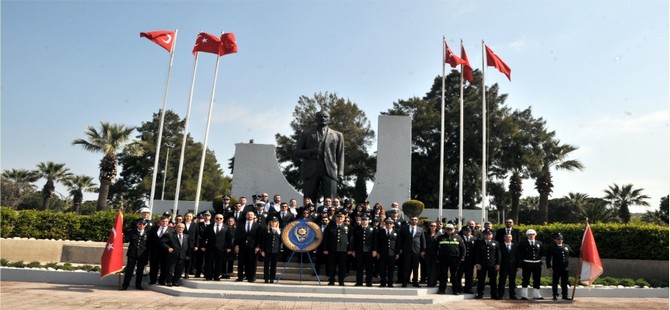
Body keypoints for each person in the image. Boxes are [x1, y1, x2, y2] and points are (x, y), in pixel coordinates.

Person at [295, 110, 344, 204]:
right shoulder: (306, 134)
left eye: (325, 117)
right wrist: (311, 151)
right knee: (309, 200)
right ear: (316, 119)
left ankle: (330, 218)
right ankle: (308, 217)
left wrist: (340, 172)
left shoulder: (337, 135)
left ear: (329, 119)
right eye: (320, 116)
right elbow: (297, 152)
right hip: (310, 170)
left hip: (330, 170)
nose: (323, 118)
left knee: (331, 200)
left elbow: (340, 154)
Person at [322, 213, 352, 286]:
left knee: (342, 266)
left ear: (344, 218)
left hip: (343, 249)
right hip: (332, 249)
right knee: (332, 266)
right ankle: (331, 280)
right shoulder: (330, 227)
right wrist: (325, 248)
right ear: (335, 218)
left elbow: (351, 239)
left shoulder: (348, 227)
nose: (339, 219)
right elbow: (325, 238)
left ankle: (341, 281)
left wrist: (350, 249)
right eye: (338, 217)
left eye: (341, 218)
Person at [435, 223, 465, 295]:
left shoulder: (458, 237)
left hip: (455, 259)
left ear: (454, 230)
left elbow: (463, 248)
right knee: (443, 275)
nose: (449, 231)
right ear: (445, 230)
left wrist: (462, 257)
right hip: (443, 259)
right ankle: (442, 289)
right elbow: (435, 249)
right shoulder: (440, 237)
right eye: (448, 229)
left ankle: (455, 290)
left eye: (451, 229)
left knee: (454, 275)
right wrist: (437, 258)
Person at [120, 219, 150, 290]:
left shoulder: (148, 233)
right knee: (129, 270)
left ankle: (138, 285)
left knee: (140, 270)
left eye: (143, 224)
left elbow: (149, 245)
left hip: (142, 254)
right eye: (140, 224)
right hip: (132, 254)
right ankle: (125, 285)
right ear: (137, 224)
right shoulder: (132, 232)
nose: (141, 225)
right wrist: (121, 235)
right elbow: (125, 240)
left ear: (145, 225)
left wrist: (147, 256)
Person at [202, 214, 233, 281]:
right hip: (210, 247)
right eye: (217, 218)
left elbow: (229, 238)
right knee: (209, 262)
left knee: (219, 263)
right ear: (214, 219)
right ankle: (208, 276)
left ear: (223, 219)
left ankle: (216, 276)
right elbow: (204, 237)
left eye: (220, 218)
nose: (218, 220)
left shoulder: (227, 227)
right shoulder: (209, 226)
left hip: (221, 248)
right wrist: (203, 246)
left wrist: (229, 247)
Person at [397, 216, 425, 287]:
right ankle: (405, 282)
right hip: (407, 250)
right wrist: (399, 249)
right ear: (409, 220)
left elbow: (423, 240)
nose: (414, 221)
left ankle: (415, 281)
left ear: (417, 221)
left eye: (415, 220)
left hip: (417, 251)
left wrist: (423, 250)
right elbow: (400, 240)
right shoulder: (404, 228)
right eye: (412, 219)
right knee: (406, 267)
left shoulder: (421, 229)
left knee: (415, 267)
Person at [235, 211, 262, 282]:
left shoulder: (258, 226)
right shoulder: (240, 225)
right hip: (242, 246)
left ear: (254, 216)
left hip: (253, 247)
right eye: (248, 214)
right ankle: (240, 277)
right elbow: (237, 236)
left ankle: (251, 277)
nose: (250, 216)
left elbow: (259, 237)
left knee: (252, 263)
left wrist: (258, 246)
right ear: (246, 216)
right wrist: (236, 245)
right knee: (241, 262)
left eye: (251, 215)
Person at [474, 229, 501, 299]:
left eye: (489, 234)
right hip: (482, 264)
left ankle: (494, 294)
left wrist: (498, 264)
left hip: (492, 264)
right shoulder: (479, 243)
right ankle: (480, 294)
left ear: (492, 236)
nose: (487, 236)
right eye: (486, 234)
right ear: (483, 235)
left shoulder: (496, 243)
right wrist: (477, 263)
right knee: (481, 280)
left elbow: (498, 254)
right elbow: (477, 254)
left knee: (493, 280)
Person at [546, 233, 574, 300]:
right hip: (556, 268)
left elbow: (573, 253)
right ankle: (555, 295)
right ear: (555, 240)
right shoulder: (552, 247)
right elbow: (548, 258)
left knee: (564, 282)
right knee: (555, 282)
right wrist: (549, 266)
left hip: (565, 268)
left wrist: (581, 250)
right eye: (558, 239)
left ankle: (565, 295)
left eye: (561, 239)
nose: (560, 240)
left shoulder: (566, 246)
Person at [373, 217, 399, 288]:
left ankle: (390, 282)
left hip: (392, 253)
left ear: (393, 224)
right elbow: (377, 243)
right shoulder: (381, 232)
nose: (388, 225)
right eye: (387, 223)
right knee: (382, 269)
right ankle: (383, 282)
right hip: (383, 253)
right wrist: (378, 252)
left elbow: (398, 244)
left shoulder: (396, 232)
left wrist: (397, 253)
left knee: (391, 269)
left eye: (390, 223)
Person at [350, 215, 376, 287]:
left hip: (369, 251)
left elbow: (375, 241)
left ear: (368, 221)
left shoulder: (372, 229)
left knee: (369, 267)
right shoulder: (356, 229)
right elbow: (353, 240)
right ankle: (359, 282)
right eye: (363, 220)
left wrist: (374, 250)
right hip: (359, 251)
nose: (364, 221)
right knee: (359, 267)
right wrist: (353, 250)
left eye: (366, 220)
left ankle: (369, 282)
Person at [519, 228, 544, 300]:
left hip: (537, 264)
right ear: (527, 235)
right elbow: (520, 254)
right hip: (527, 263)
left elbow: (542, 252)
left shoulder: (539, 243)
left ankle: (536, 295)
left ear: (535, 235)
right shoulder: (523, 243)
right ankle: (524, 295)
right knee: (525, 279)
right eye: (529, 235)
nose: (531, 236)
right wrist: (520, 264)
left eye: (533, 234)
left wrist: (538, 258)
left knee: (537, 279)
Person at [148, 216, 173, 285]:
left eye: (166, 221)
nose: (164, 223)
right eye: (163, 221)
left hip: (165, 252)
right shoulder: (154, 229)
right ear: (160, 222)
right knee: (153, 266)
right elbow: (150, 240)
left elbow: (173, 241)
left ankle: (162, 280)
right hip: (154, 251)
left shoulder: (172, 230)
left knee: (164, 266)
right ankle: (152, 280)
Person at [498, 233, 520, 299]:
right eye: (506, 237)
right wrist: (498, 264)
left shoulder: (515, 246)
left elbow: (518, 256)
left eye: (509, 237)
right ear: (504, 238)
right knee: (502, 281)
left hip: (513, 266)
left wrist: (519, 266)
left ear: (512, 238)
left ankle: (512, 295)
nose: (508, 238)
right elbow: (498, 256)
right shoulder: (500, 245)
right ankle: (500, 295)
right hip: (503, 266)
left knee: (512, 281)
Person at [261, 216, 282, 283]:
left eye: (275, 222)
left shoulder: (279, 231)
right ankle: (266, 278)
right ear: (270, 222)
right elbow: (263, 241)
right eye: (272, 222)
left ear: (277, 223)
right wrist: (262, 250)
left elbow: (280, 241)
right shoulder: (266, 230)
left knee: (274, 265)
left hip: (275, 250)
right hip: (267, 250)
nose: (273, 223)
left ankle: (272, 278)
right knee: (266, 265)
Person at [457, 226, 477, 294]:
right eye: (466, 231)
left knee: (469, 275)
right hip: (461, 260)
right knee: (459, 275)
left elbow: (476, 251)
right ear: (463, 231)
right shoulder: (459, 238)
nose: (468, 232)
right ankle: (458, 288)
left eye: (469, 231)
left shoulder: (474, 239)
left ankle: (468, 288)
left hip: (470, 261)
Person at [422, 221, 440, 288]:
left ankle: (433, 282)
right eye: (431, 226)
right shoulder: (425, 234)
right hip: (428, 253)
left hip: (436, 254)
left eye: (434, 226)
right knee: (428, 268)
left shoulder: (439, 235)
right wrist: (423, 251)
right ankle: (429, 282)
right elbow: (423, 243)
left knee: (434, 269)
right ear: (429, 227)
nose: (433, 227)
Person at [182, 212, 199, 279]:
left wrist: (196, 245)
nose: (188, 217)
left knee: (189, 259)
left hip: (191, 245)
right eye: (187, 216)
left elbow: (197, 235)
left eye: (190, 216)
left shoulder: (195, 225)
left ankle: (187, 273)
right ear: (185, 217)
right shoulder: (182, 224)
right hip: (182, 244)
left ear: (192, 217)